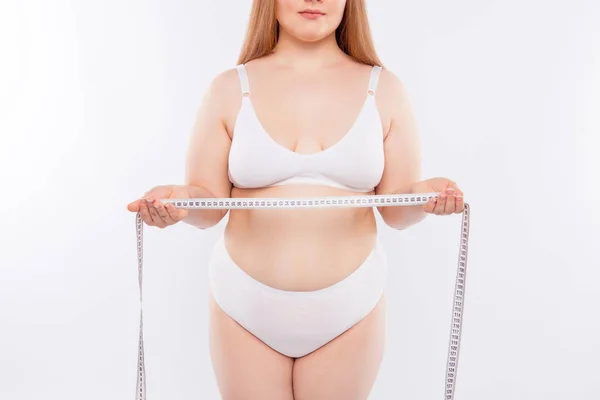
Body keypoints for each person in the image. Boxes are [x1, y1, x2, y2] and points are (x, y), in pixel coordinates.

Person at [127, 0, 465, 398]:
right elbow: (208, 205)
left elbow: (396, 210)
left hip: (349, 307)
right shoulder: (228, 89)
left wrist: (426, 196)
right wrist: (179, 203)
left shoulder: (385, 89)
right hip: (245, 305)